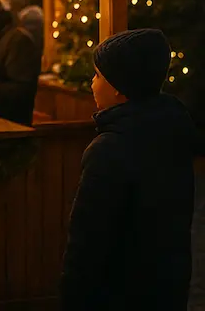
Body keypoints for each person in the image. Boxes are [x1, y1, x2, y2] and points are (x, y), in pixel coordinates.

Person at [61, 29, 196, 311]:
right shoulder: (172, 130)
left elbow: (88, 243)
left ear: (119, 87)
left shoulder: (109, 150)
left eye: (98, 75)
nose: (91, 83)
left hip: (116, 293)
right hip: (166, 286)